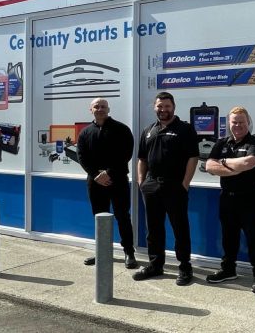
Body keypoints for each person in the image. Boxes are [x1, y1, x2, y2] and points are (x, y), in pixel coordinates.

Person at [133, 92, 199, 286]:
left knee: (180, 228)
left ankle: (185, 266)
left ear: (173, 107)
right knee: (153, 228)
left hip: (174, 186)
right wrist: (141, 182)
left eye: (167, 106)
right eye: (160, 106)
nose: (163, 110)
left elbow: (192, 158)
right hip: (151, 186)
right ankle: (155, 264)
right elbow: (142, 159)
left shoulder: (185, 129)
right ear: (155, 107)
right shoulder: (148, 130)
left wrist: (184, 185)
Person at [205, 106, 255, 294]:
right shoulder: (222, 142)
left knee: (254, 238)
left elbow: (249, 163)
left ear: (248, 122)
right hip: (227, 198)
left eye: (241, 122)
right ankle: (228, 270)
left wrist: (223, 162)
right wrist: (235, 167)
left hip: (249, 198)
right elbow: (209, 165)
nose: (238, 125)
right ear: (229, 124)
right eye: (234, 122)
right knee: (228, 236)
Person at [76, 98, 137, 269]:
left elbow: (126, 154)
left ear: (108, 109)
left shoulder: (121, 129)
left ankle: (129, 253)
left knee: (123, 217)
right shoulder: (85, 133)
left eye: (103, 106)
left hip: (117, 180)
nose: (100, 109)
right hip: (95, 182)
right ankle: (102, 252)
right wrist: (96, 174)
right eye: (97, 106)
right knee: (100, 218)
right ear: (91, 110)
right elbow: (82, 157)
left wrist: (108, 173)